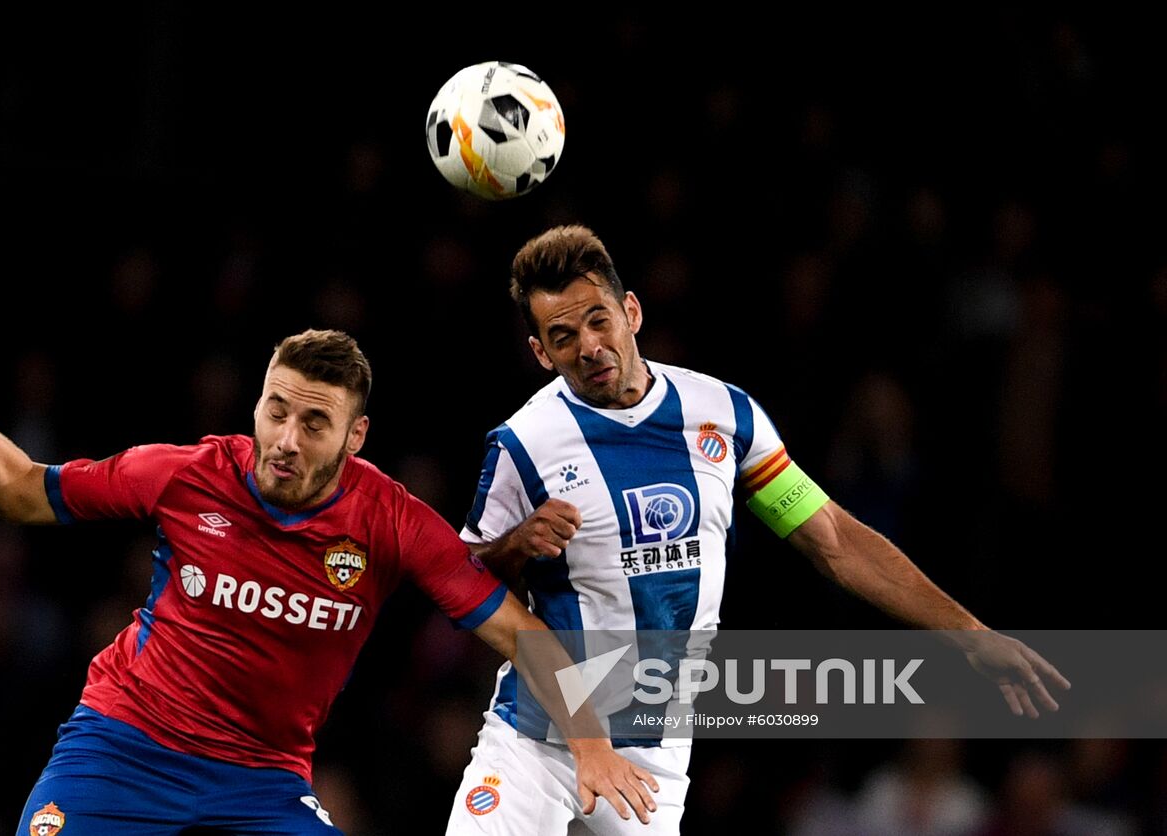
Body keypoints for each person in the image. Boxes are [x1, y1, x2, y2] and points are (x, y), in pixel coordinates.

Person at [0, 312, 659, 836]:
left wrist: (590, 745)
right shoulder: (185, 475)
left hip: (261, 783)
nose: (285, 437)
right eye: (275, 410)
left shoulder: (391, 521)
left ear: (356, 437)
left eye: (313, 422)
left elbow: (523, 636)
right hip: (121, 749)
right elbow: (17, 489)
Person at [443, 225, 1071, 835]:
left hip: (654, 753)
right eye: (562, 335)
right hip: (537, 739)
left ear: (630, 311)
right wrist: (513, 547)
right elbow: (461, 587)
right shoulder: (523, 443)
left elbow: (833, 540)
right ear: (539, 352)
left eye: (598, 320)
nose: (588, 346)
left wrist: (967, 633)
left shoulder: (724, 416)